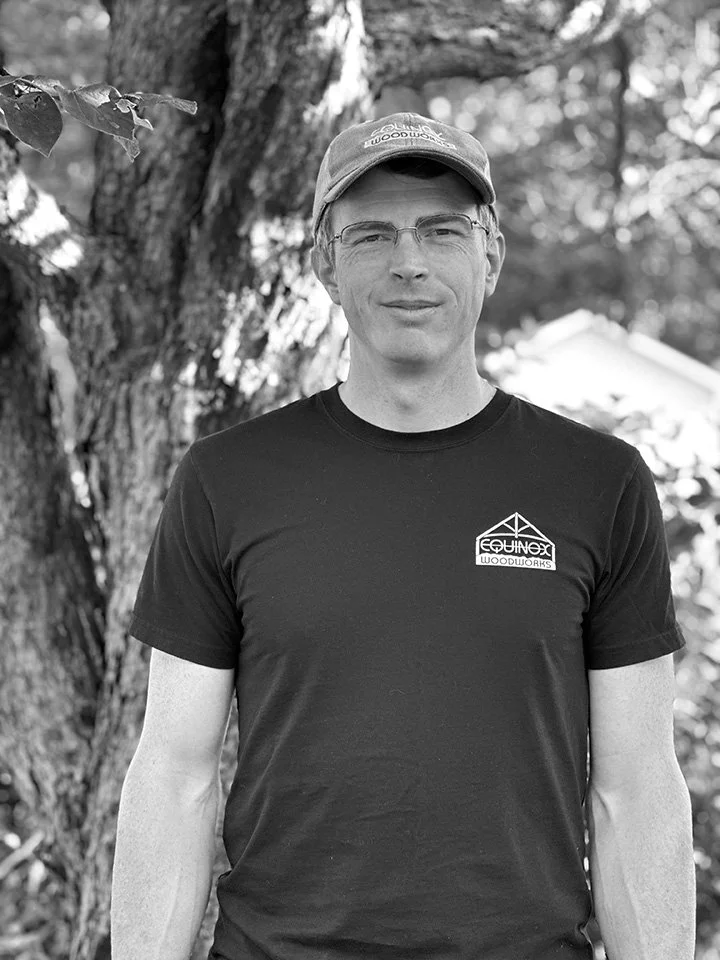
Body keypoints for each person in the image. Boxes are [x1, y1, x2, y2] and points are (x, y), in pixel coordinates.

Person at [111, 112, 696, 960]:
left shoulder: (598, 484)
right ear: (324, 263)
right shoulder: (227, 480)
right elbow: (174, 773)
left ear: (489, 254)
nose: (409, 262)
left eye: (442, 231)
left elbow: (636, 788)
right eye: (372, 234)